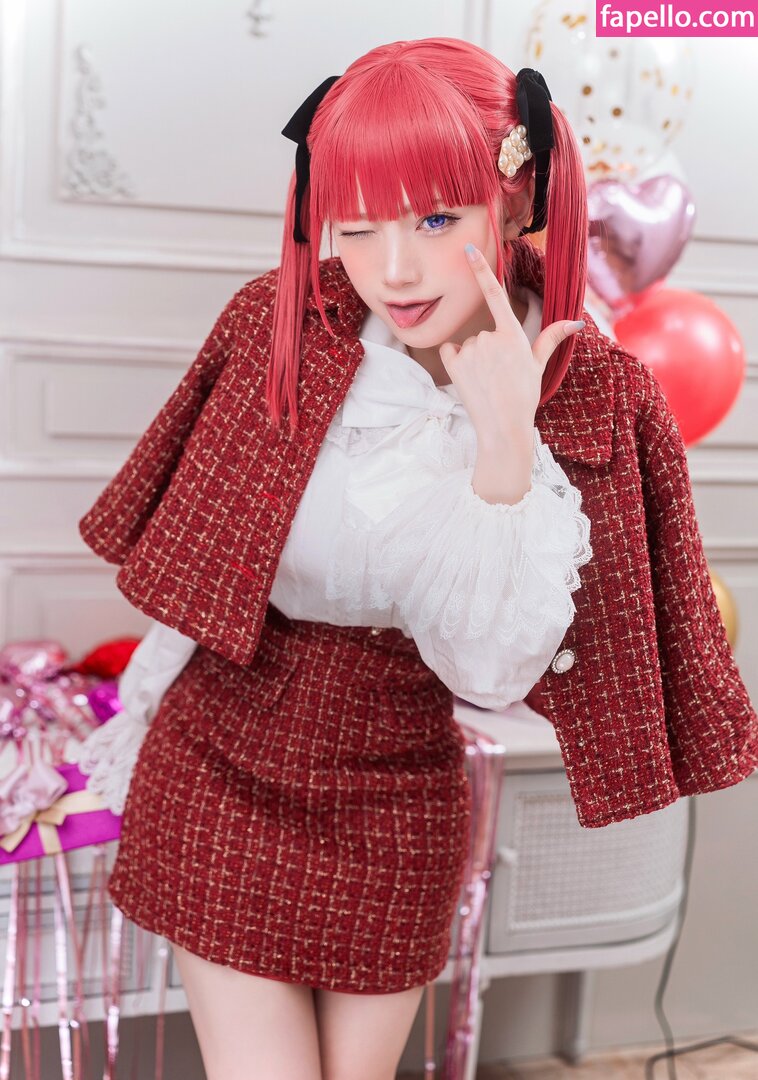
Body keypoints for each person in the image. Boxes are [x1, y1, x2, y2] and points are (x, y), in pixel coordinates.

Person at [71, 35, 757, 1080]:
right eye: (355, 227)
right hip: (221, 757)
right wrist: (127, 727)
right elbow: (201, 566)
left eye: (434, 220)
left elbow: (488, 674)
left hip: (398, 790)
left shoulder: (595, 396)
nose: (391, 268)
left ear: (514, 199)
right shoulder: (279, 327)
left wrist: (504, 446)